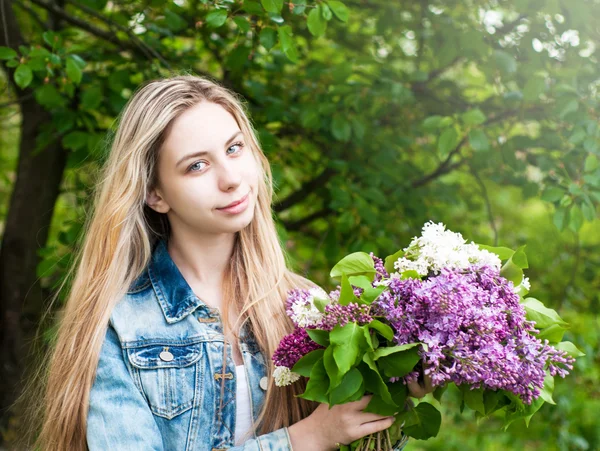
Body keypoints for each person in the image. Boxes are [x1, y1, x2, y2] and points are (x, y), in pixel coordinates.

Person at [21, 73, 432, 450]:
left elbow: (350, 438)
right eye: (196, 165)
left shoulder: (308, 306)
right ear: (156, 194)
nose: (230, 178)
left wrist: (389, 392)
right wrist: (301, 440)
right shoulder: (120, 324)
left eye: (234, 149)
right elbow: (317, 436)